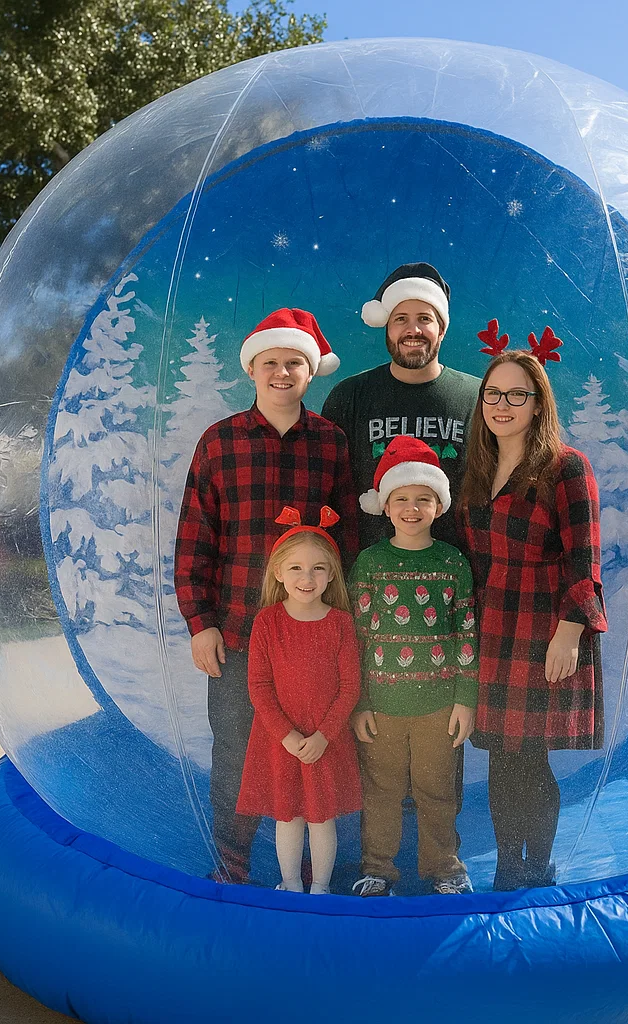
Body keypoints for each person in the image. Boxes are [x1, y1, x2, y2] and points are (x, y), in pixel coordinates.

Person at [175, 307, 358, 885]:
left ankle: (310, 863)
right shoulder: (220, 442)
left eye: (295, 363)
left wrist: (344, 620)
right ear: (253, 369)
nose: (283, 372)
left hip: (311, 639)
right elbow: (194, 538)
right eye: (272, 362)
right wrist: (198, 622)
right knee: (235, 751)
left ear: (311, 373)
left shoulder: (330, 443)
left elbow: (347, 537)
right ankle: (232, 863)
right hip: (234, 631)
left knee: (312, 751)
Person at [456, 347, 607, 892]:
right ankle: (505, 867)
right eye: (493, 393)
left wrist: (570, 634)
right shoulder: (475, 470)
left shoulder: (565, 466)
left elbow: (583, 560)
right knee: (501, 756)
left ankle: (536, 869)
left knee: (532, 759)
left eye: (517, 393)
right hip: (492, 629)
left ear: (538, 403)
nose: (503, 404)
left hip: (544, 631)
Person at [348, 436, 477, 896]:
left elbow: (466, 633)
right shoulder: (370, 564)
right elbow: (356, 637)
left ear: (439, 506)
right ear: (385, 506)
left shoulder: (452, 563)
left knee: (437, 792)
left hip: (438, 707)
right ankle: (377, 869)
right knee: (381, 793)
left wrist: (465, 699)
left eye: (424, 499)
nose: (411, 507)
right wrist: (358, 702)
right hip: (380, 706)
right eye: (401, 498)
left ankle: (444, 867)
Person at [235, 508, 362, 894]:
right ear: (278, 572)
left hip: (326, 740)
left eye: (319, 569)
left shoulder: (340, 622)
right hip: (280, 740)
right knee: (288, 817)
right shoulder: (267, 622)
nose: (307, 578)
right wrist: (287, 736)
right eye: (296, 568)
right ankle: (290, 883)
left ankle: (320, 887)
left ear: (332, 574)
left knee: (322, 819)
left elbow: (350, 687)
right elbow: (259, 686)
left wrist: (324, 735)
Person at [321, 262, 480, 551]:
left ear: (442, 329)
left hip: (456, 575)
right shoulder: (349, 396)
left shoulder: (476, 397)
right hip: (366, 575)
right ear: (386, 327)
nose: (413, 330)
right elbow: (328, 492)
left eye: (425, 319)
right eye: (401, 319)